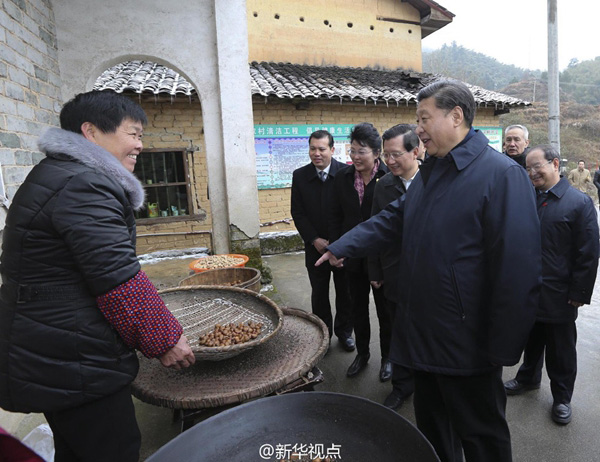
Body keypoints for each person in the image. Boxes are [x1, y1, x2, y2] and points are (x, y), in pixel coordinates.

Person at [317, 80, 541, 462]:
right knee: (434, 434)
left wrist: (501, 348)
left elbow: (518, 272)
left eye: (424, 118)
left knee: (481, 437)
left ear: (456, 117)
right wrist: (343, 245)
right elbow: (393, 219)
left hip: (468, 344)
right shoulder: (433, 170)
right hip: (424, 333)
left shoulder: (501, 176)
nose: (417, 128)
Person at [0, 90, 195, 462]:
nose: (140, 144)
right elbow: (116, 276)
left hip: (51, 346)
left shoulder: (60, 174)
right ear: (91, 132)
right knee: (112, 450)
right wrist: (164, 338)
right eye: (133, 134)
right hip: (73, 356)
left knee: (76, 450)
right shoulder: (83, 183)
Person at [504, 145, 599, 425]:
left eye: (537, 167)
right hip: (528, 289)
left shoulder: (578, 203)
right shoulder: (527, 198)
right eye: (528, 168)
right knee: (531, 340)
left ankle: (561, 398)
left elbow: (588, 252)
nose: (532, 173)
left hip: (560, 292)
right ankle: (528, 379)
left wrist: (579, 292)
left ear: (555, 164)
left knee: (561, 350)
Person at [329, 122, 390, 379]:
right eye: (352, 150)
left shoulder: (388, 179)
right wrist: (338, 248)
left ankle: (389, 358)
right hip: (352, 258)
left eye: (361, 151)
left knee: (385, 312)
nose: (354, 156)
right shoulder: (342, 178)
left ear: (376, 153)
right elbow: (335, 217)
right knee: (357, 309)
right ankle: (362, 354)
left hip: (380, 259)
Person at [368, 124, 418, 410]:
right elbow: (375, 229)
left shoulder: (434, 181)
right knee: (397, 331)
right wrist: (375, 272)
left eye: (396, 154)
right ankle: (402, 386)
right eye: (386, 155)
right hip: (395, 273)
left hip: (428, 277)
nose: (390, 161)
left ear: (416, 151)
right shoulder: (384, 185)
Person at [290, 130, 354, 352]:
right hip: (314, 247)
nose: (316, 154)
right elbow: (297, 213)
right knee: (319, 293)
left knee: (345, 292)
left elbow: (350, 213)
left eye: (322, 149)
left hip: (341, 248)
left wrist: (338, 244)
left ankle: (345, 332)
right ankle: (323, 334)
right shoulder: (300, 176)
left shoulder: (346, 173)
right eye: (312, 149)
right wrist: (314, 239)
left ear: (332, 150)